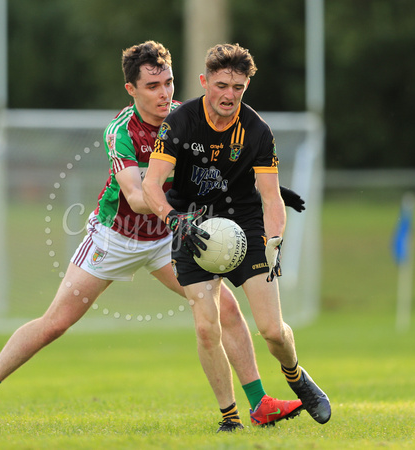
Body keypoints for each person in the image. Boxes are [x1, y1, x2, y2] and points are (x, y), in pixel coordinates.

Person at [0, 41, 304, 431]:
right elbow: (137, 197)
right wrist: (177, 203)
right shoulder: (122, 131)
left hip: (167, 240)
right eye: (152, 86)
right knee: (55, 323)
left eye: (168, 83)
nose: (164, 94)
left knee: (227, 310)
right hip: (115, 238)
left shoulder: (187, 119)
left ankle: (259, 403)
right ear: (131, 90)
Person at [142, 43, 331, 427]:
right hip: (191, 229)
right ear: (204, 82)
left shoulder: (258, 131)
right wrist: (173, 218)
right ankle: (230, 418)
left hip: (244, 229)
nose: (229, 95)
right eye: (222, 85)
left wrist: (274, 242)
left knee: (273, 331)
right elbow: (152, 184)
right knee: (205, 325)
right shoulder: (180, 123)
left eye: (239, 87)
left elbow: (272, 198)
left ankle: (295, 375)